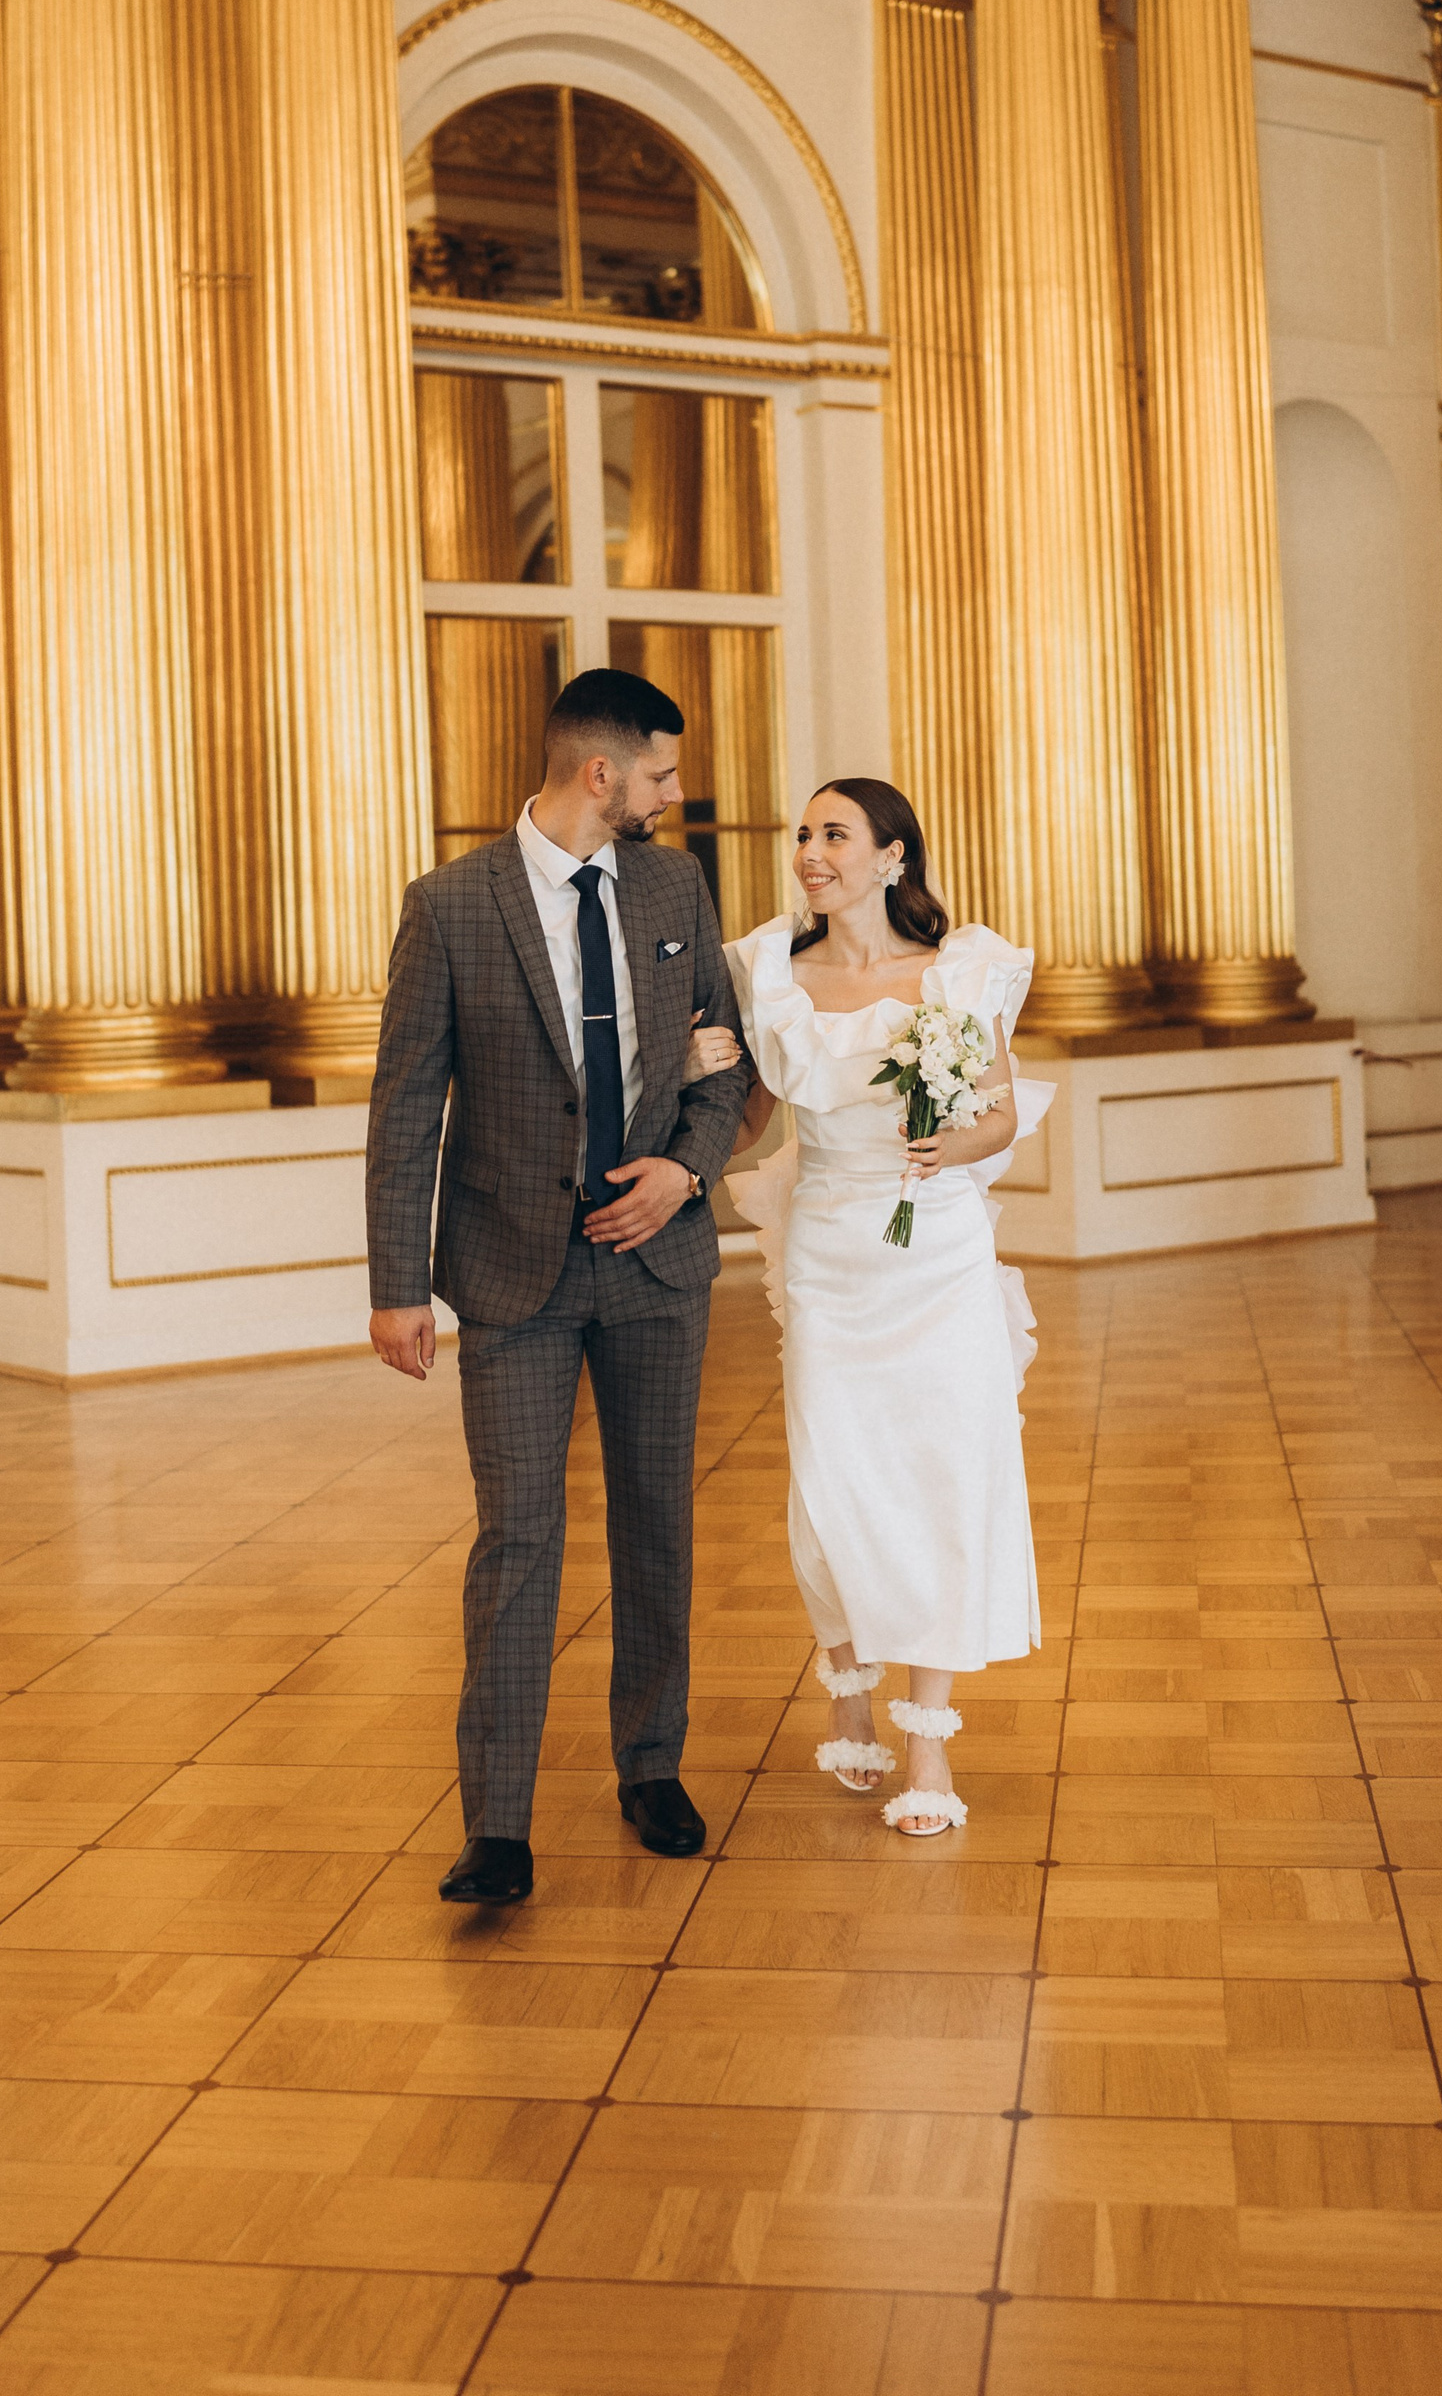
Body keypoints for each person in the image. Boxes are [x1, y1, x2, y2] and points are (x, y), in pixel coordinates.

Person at [366, 666, 752, 1906]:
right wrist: (397, 1284)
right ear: (601, 773)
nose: (672, 795)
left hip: (658, 1264)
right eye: (661, 774)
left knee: (656, 1522)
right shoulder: (450, 906)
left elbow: (724, 1068)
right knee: (520, 1537)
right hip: (511, 1273)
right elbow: (404, 1105)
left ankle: (652, 1766)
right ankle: (497, 1828)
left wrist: (685, 1174)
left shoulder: (674, 888)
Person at [687, 779, 1048, 1837]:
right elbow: (749, 1123)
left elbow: (998, 1116)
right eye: (803, 833)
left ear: (892, 857)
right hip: (832, 1255)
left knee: (945, 1475)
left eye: (834, 834)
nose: (810, 851)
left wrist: (952, 1144)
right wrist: (684, 1083)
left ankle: (927, 1739)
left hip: (938, 1251)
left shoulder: (959, 969)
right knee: (833, 1480)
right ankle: (847, 1684)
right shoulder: (768, 976)